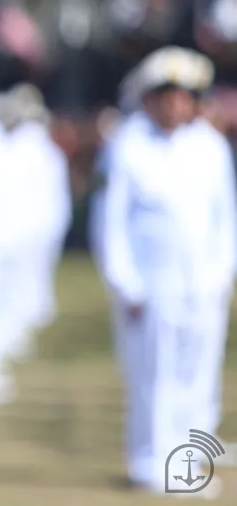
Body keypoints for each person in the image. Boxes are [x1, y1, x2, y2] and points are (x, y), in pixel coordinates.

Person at [89, 46, 236, 497]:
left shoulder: (210, 146)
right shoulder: (127, 145)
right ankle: (150, 463)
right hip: (150, 289)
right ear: (149, 98)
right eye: (167, 94)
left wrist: (220, 277)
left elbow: (224, 219)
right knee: (154, 380)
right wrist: (125, 284)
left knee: (198, 379)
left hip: (202, 286)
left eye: (185, 95)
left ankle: (189, 465)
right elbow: (109, 223)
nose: (176, 104)